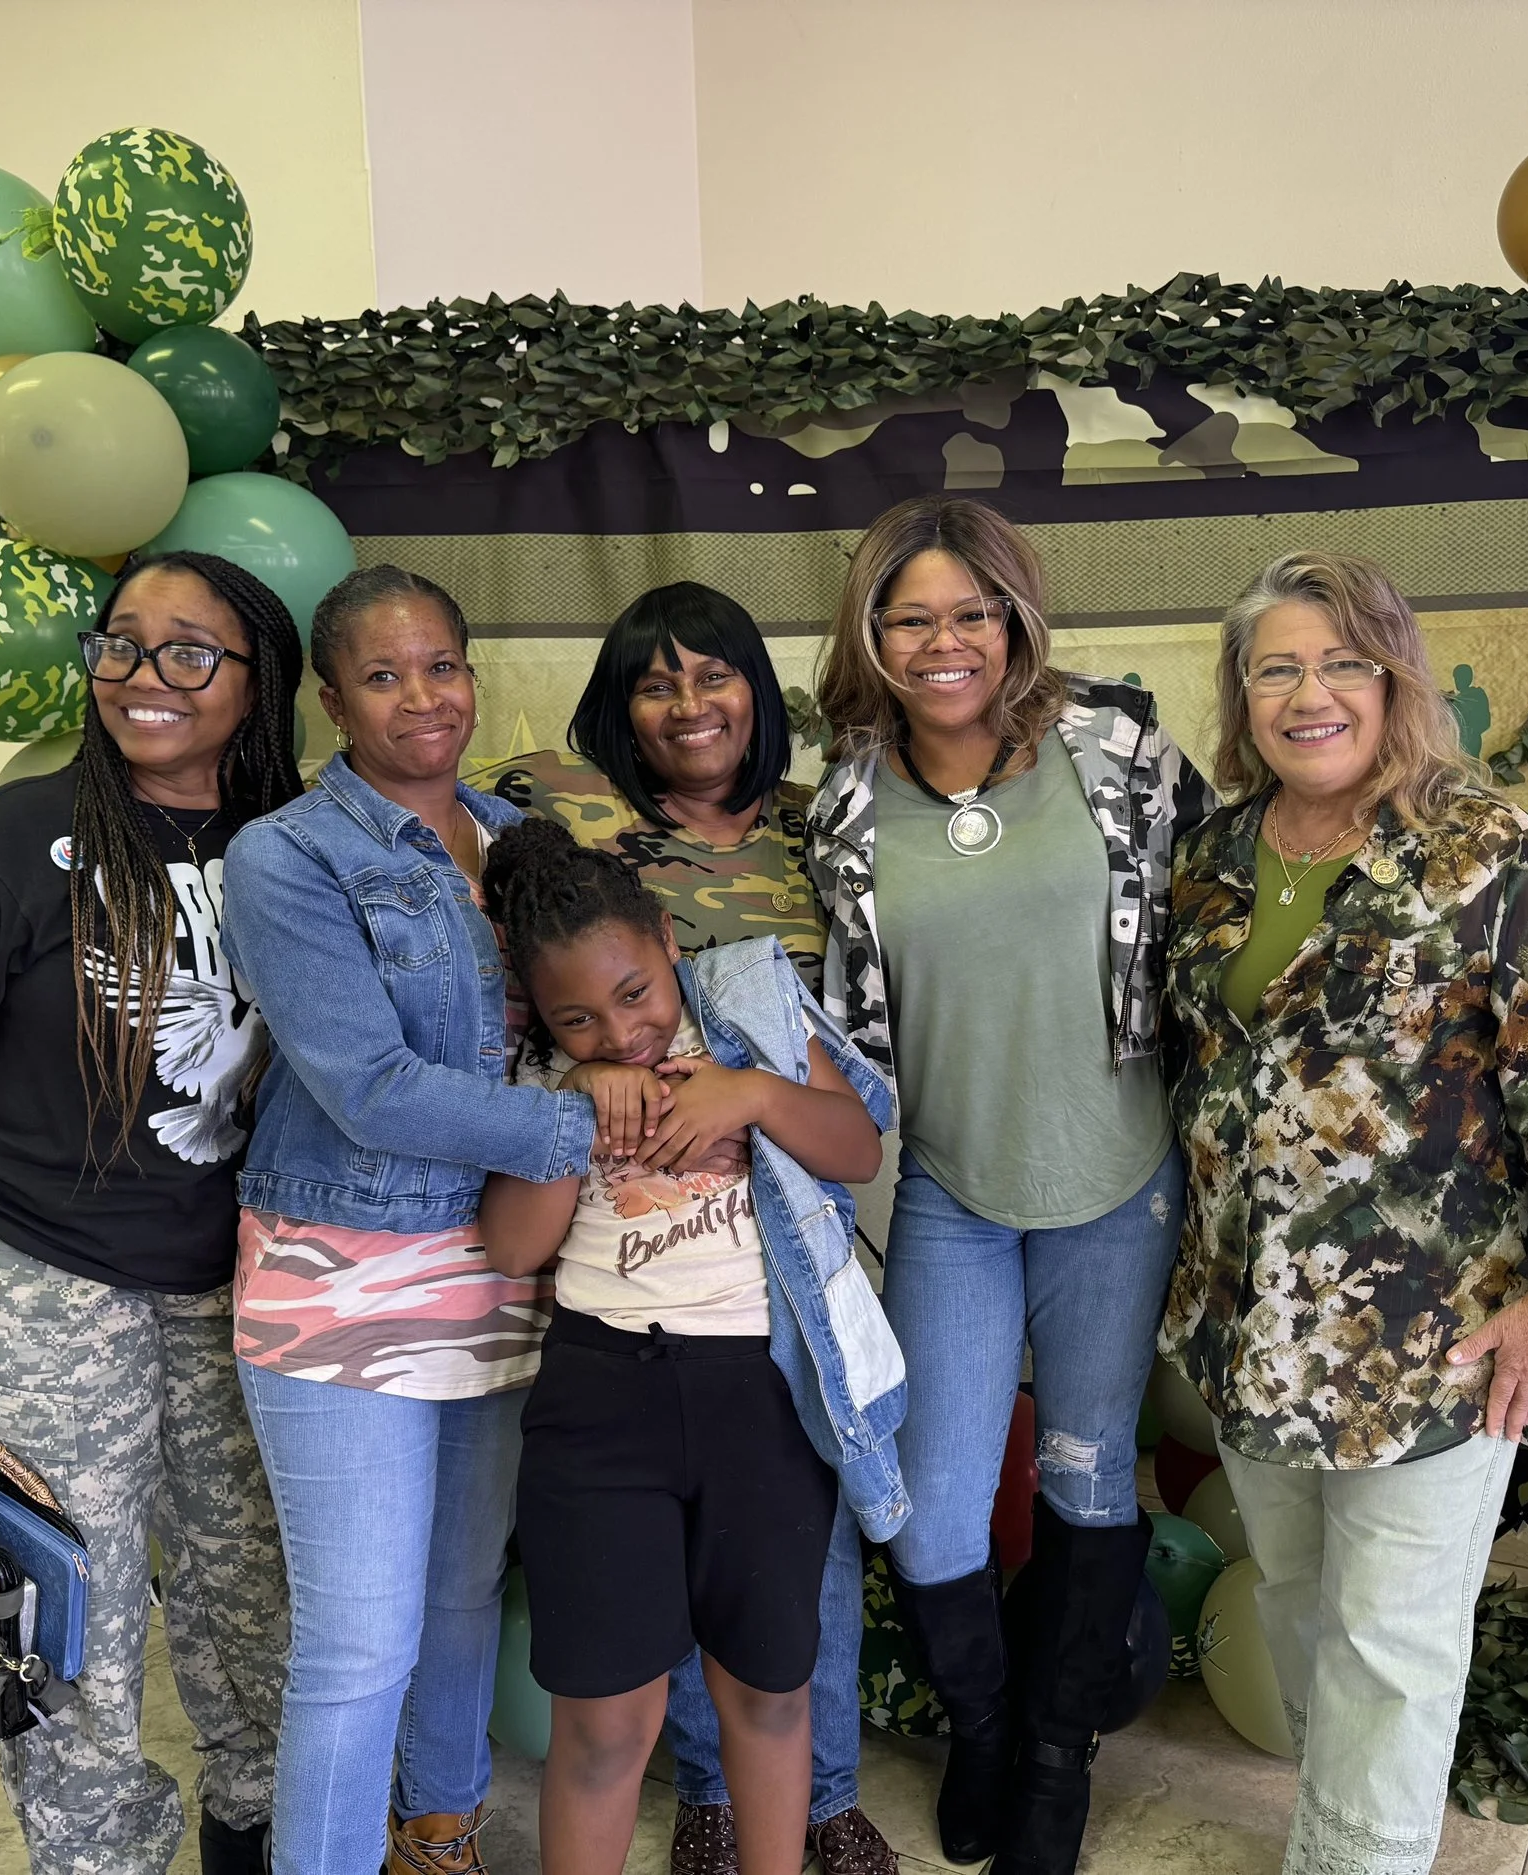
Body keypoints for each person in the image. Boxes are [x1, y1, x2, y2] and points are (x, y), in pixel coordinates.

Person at [1159, 550, 1528, 1875]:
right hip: (1254, 1324)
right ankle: (1339, 1831)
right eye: (1277, 667)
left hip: (1436, 1330)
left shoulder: (1489, 851)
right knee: (1312, 1613)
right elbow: (1187, 1062)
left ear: (1393, 679)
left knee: (1393, 1636)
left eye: (1342, 662)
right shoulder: (1209, 853)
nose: (1309, 693)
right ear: (1243, 692)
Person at [0, 549, 303, 1875]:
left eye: (189, 651)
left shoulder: (299, 845)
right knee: (76, 1620)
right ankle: (95, 1855)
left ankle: (259, 1828)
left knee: (255, 1594)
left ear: (257, 677)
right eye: (121, 643)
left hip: (246, 1280)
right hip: (40, 1279)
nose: (142, 675)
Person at [804, 495, 1215, 1875]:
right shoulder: (850, 804)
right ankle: (980, 1723)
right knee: (928, 1493)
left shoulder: (1119, 754)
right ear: (873, 632)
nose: (943, 641)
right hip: (957, 1191)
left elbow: (1213, 922)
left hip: (1117, 1177)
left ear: (1017, 617)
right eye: (911, 615)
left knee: (1093, 1473)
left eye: (971, 612)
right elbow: (852, 1029)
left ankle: (1054, 1753)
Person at [488, 582, 896, 1875]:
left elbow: (858, 1146)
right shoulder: (545, 1080)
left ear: (672, 941)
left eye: (635, 994)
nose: (621, 1031)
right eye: (579, 1020)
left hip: (760, 1389)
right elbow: (511, 1248)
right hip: (601, 1399)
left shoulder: (750, 1018)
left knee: (771, 1688)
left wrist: (755, 1093)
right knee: (605, 1720)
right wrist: (574, 1115)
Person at [219, 565, 600, 1875]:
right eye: (384, 675)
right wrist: (580, 1128)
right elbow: (369, 1087)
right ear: (332, 701)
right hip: (345, 1275)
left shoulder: (519, 837)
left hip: (495, 1267)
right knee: (358, 1637)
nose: (422, 697)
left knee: (456, 1598)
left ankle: (437, 1833)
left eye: (442, 665)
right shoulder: (285, 854)